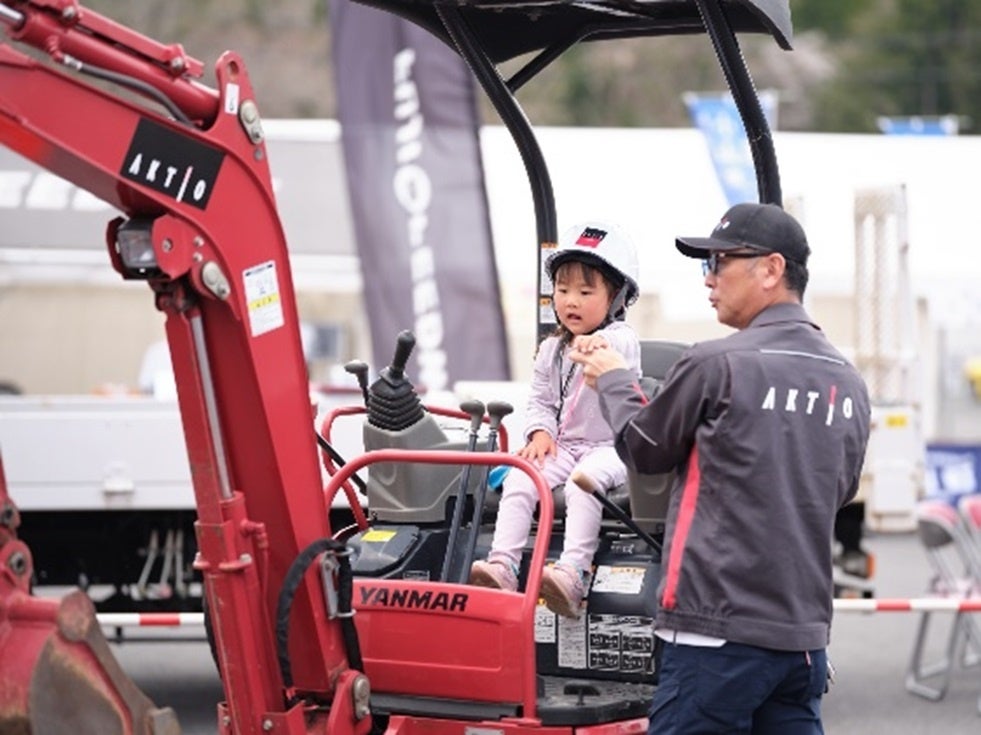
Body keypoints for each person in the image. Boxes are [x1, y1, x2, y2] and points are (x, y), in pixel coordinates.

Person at [570, 202, 871, 734]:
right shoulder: (848, 382)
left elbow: (644, 450)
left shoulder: (716, 363)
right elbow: (840, 490)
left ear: (771, 269)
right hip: (802, 642)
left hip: (713, 634)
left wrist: (614, 379)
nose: (708, 279)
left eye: (719, 263)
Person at [469, 220, 643, 618]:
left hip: (611, 446)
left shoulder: (621, 340)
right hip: (565, 446)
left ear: (616, 297)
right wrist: (540, 432)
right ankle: (503, 565)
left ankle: (573, 572)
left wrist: (596, 342)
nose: (571, 301)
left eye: (585, 292)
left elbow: (615, 345)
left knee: (584, 483)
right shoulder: (550, 350)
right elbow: (541, 401)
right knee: (521, 477)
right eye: (563, 291)